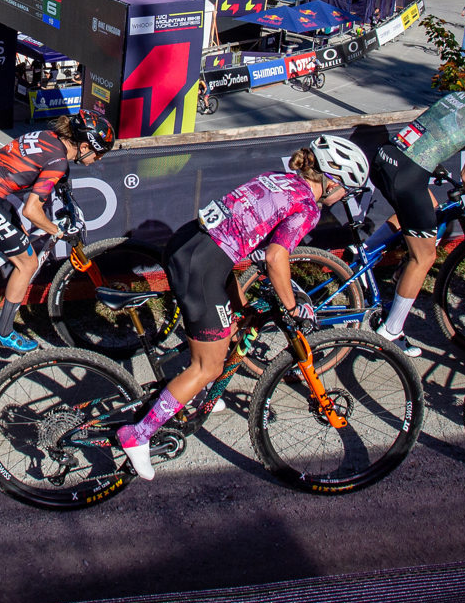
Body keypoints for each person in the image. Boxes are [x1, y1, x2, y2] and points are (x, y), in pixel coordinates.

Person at [113, 134, 369, 481]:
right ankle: (137, 435)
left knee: (233, 323)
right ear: (332, 179)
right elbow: (277, 257)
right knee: (208, 364)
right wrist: (293, 308)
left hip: (188, 243)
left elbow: (235, 243)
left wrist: (242, 301)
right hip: (203, 266)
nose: (341, 199)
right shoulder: (307, 205)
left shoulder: (277, 178)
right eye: (345, 191)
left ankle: (190, 391)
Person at [349, 58, 465, 356]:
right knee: (424, 257)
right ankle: (391, 332)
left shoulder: (456, 96)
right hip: (408, 177)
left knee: (430, 210)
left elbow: (432, 135)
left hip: (388, 158)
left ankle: (366, 252)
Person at [0, 113, 116, 353]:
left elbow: (60, 182)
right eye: (99, 152)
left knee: (12, 245)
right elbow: (32, 210)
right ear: (84, 146)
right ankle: (4, 332)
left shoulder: (51, 138)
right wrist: (58, 231)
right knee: (27, 263)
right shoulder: (58, 161)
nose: (99, 158)